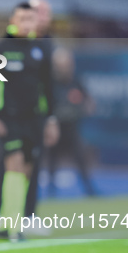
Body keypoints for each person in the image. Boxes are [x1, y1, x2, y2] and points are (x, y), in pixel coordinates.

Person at [0, 1, 59, 241]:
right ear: (13, 21)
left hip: (35, 119)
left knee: (26, 169)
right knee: (13, 163)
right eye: (22, 19)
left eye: (31, 19)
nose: (27, 23)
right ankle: (13, 227)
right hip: (9, 118)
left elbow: (48, 88)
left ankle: (9, 220)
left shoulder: (41, 50)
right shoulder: (0, 48)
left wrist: (51, 120)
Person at [47, 48, 97, 196]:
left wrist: (87, 106)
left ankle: (89, 189)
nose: (65, 67)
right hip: (55, 127)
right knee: (52, 160)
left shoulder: (76, 81)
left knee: (80, 158)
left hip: (72, 128)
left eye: (67, 64)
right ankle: (51, 191)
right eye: (61, 64)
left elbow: (88, 100)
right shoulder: (50, 82)